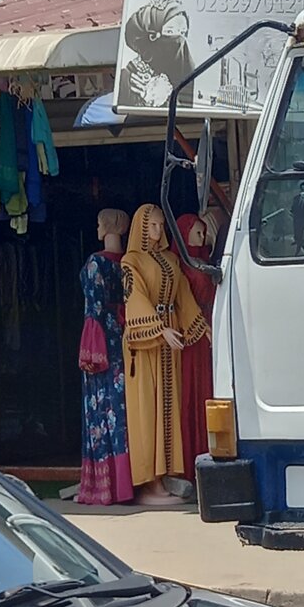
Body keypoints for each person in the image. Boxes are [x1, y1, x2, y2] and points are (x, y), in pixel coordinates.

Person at [121, 204, 210, 506]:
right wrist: (159, 330)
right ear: (141, 228)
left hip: (171, 339)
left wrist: (202, 328)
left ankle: (168, 475)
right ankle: (150, 484)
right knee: (148, 409)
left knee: (168, 408)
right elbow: (135, 299)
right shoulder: (131, 262)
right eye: (153, 226)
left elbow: (184, 296)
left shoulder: (172, 259)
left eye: (161, 226)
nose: (158, 231)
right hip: (146, 345)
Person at [77, 208, 133, 506]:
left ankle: (103, 485)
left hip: (102, 341)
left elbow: (93, 309)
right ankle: (126, 482)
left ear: (109, 226)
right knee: (122, 408)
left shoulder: (96, 264)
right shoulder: (129, 262)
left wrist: (89, 348)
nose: (97, 227)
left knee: (101, 408)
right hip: (125, 338)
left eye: (100, 222)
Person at [170, 214, 216, 483]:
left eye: (203, 233)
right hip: (193, 336)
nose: (201, 238)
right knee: (192, 394)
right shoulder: (182, 265)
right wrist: (201, 327)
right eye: (196, 233)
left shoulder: (206, 262)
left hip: (211, 331)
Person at [118, 0, 194, 110]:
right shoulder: (126, 79)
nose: (179, 39)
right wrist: (148, 101)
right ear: (151, 36)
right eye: (170, 31)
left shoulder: (187, 76)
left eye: (182, 32)